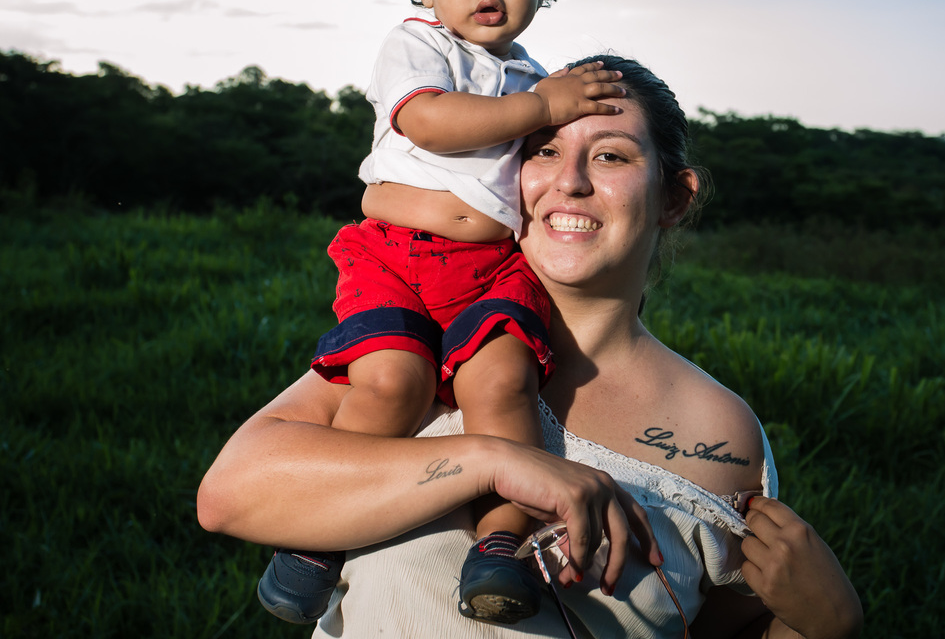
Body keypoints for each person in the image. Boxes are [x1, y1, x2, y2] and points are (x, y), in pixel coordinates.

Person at [198, 56, 863, 638]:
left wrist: (819, 629)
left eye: (610, 155)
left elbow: (712, 629)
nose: (568, 180)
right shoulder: (415, 344)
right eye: (542, 149)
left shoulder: (717, 432)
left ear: (674, 196)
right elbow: (230, 495)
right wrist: (492, 462)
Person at [253, 0, 628, 626]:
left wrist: (557, 109)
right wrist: (539, 105)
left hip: (490, 266)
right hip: (397, 254)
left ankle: (500, 544)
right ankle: (319, 534)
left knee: (503, 385)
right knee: (392, 382)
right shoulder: (419, 45)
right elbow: (429, 122)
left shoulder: (529, 74)